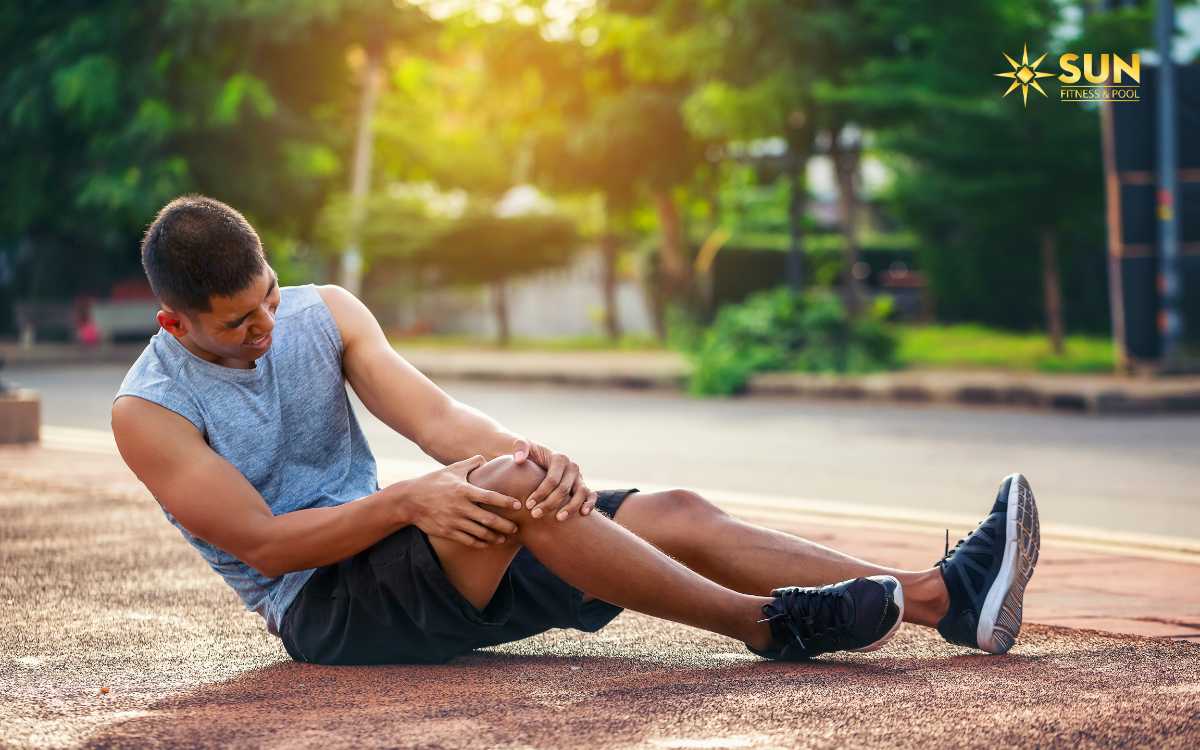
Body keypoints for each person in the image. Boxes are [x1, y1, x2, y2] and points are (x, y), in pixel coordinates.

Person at [112, 195, 1040, 666]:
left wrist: (531, 458)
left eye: (270, 297)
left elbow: (438, 420)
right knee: (508, 491)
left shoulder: (327, 313)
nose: (267, 326)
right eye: (239, 322)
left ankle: (943, 601)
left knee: (670, 510)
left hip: (425, 554)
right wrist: (408, 504)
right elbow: (267, 546)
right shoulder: (148, 411)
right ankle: (765, 627)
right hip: (327, 609)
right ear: (175, 323)